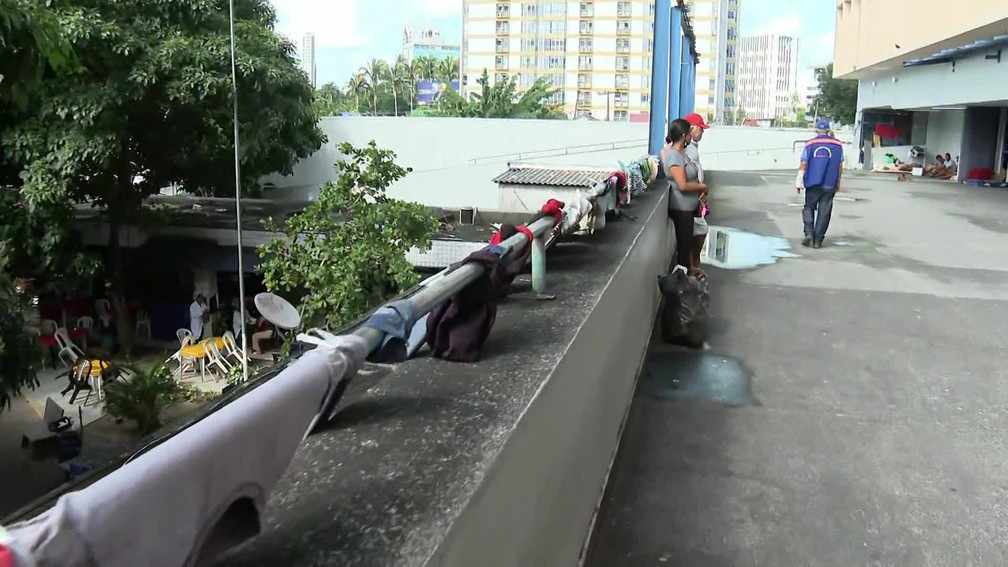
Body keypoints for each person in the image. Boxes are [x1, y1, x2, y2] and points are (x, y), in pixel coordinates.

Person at [662, 118, 708, 268]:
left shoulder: (681, 153)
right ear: (684, 135)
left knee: (687, 243)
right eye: (689, 132)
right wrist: (701, 187)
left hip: (688, 207)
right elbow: (682, 185)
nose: (691, 135)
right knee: (684, 246)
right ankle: (682, 279)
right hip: (681, 208)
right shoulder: (674, 156)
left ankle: (687, 273)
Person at [796, 118, 845, 249]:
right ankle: (818, 240)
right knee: (825, 212)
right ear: (828, 129)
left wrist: (798, 181)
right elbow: (840, 166)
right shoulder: (838, 145)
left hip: (813, 182)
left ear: (817, 129)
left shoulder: (809, 144)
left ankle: (809, 234)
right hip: (830, 183)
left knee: (808, 207)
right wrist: (838, 182)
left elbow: (804, 163)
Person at [684, 112, 711, 270]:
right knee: (700, 227)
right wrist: (700, 188)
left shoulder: (693, 147)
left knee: (698, 228)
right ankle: (694, 262)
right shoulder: (687, 149)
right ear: (692, 128)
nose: (702, 132)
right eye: (700, 128)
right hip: (691, 195)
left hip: (695, 194)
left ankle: (693, 261)